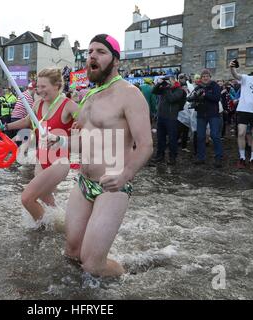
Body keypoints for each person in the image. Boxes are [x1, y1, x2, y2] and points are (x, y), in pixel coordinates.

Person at [65, 34, 153, 277]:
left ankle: (127, 277)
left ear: (115, 60)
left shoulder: (130, 94)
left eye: (100, 52)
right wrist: (60, 141)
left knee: (92, 265)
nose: (92, 56)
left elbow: (145, 145)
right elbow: (82, 142)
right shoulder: (89, 97)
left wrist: (125, 176)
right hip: (83, 182)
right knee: (72, 253)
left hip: (112, 187)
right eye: (89, 51)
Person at [0, 68, 79, 224]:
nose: (39, 90)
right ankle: (64, 225)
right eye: (38, 86)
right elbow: (26, 122)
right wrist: (4, 127)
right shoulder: (38, 104)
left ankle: (44, 229)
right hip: (41, 160)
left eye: (43, 87)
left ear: (57, 85)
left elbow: (90, 125)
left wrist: (78, 128)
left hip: (59, 162)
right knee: (47, 201)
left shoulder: (69, 105)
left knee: (27, 198)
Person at [187, 69, 223, 167]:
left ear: (210, 77)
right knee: (200, 137)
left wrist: (205, 95)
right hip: (201, 114)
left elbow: (216, 98)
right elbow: (189, 98)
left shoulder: (214, 85)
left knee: (215, 135)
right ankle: (201, 157)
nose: (205, 78)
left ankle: (218, 157)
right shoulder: (198, 87)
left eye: (207, 76)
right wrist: (195, 96)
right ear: (201, 78)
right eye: (203, 76)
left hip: (213, 114)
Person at [152, 75, 186, 165]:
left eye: (169, 80)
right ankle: (160, 156)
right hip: (161, 117)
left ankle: (172, 157)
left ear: (174, 81)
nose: (168, 82)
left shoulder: (180, 90)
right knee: (160, 138)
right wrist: (159, 83)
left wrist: (167, 88)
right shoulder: (164, 88)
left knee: (172, 139)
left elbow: (171, 99)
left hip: (171, 118)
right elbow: (154, 91)